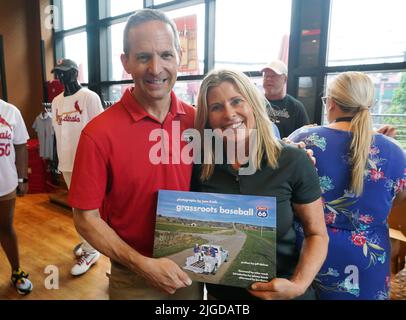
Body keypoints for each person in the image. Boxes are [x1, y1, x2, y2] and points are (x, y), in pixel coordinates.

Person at [67, 9, 203, 300]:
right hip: (133, 276)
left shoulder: (198, 122)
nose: (156, 68)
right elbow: (85, 218)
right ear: (126, 62)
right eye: (143, 57)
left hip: (192, 265)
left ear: (180, 56)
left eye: (166, 55)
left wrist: (293, 154)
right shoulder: (98, 133)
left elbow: (244, 159)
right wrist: (142, 265)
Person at [191, 69, 329, 300]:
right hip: (221, 297)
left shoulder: (292, 160)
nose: (229, 114)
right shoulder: (201, 166)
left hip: (283, 293)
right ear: (207, 118)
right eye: (216, 107)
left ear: (253, 104)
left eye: (237, 101)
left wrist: (297, 285)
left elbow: (317, 234)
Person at [289, 71, 406, 300]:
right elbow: (401, 199)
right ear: (369, 104)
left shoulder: (303, 139)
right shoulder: (393, 151)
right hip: (369, 257)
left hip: (309, 255)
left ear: (331, 103)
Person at [51, 58, 104, 276]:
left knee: (87, 209)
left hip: (86, 163)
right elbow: (57, 132)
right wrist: (57, 159)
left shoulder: (89, 97)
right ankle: (88, 244)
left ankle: (92, 250)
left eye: (65, 72)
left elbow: (101, 131)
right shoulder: (55, 102)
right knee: (76, 208)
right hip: (66, 162)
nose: (61, 77)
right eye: (58, 73)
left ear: (75, 73)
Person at [0, 99, 33, 295]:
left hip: (5, 184)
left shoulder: (10, 111)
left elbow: (21, 146)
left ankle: (16, 271)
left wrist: (23, 178)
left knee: (5, 227)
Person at [262, 60, 310, 138]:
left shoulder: (296, 107)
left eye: (273, 76)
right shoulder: (254, 103)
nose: (268, 79)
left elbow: (305, 136)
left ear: (285, 79)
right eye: (266, 76)